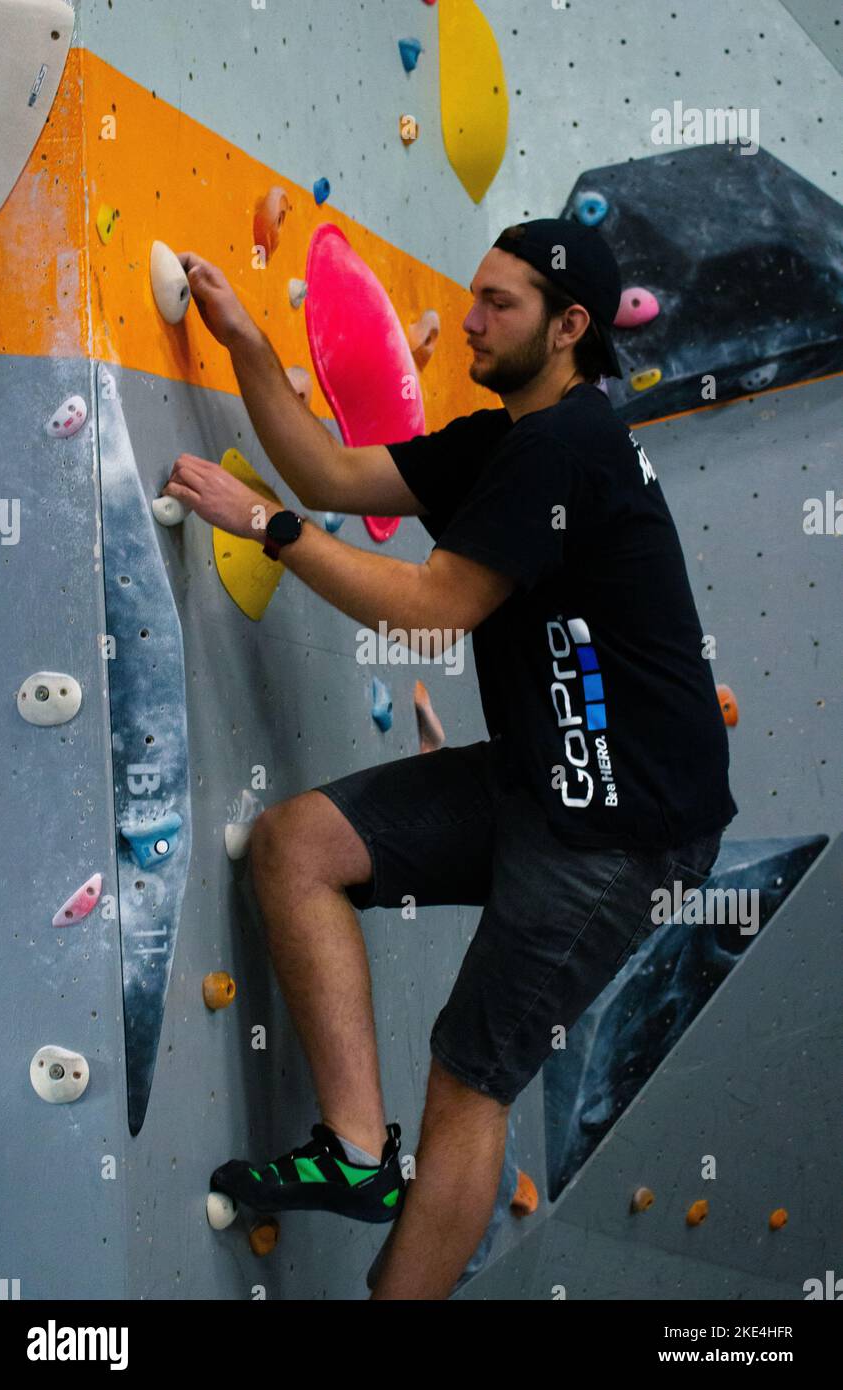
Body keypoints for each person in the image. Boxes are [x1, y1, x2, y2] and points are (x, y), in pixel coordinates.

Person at [165, 218, 738, 1300]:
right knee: (296, 846)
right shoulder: (505, 440)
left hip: (618, 834)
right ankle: (349, 1147)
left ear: (568, 328)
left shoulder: (569, 447)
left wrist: (268, 529)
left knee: (469, 1080)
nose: (468, 318)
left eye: (498, 304)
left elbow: (432, 613)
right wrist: (244, 341)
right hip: (539, 786)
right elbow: (332, 468)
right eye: (471, 294)